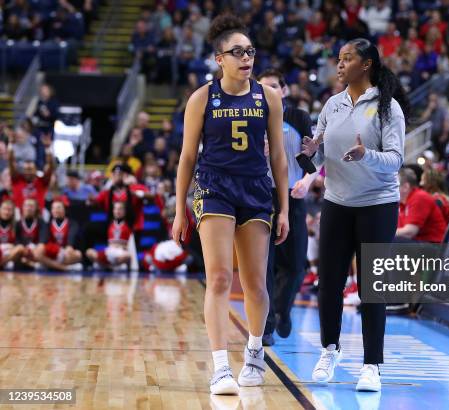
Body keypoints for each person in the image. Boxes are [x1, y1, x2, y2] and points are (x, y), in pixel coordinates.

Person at [171, 15, 289, 395]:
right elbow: (187, 158)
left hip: (256, 190)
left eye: (250, 51)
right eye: (236, 52)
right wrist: (179, 209)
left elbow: (280, 160)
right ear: (219, 58)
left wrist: (283, 208)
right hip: (214, 187)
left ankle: (254, 352)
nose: (246, 58)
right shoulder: (202, 98)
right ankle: (220, 367)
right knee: (220, 277)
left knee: (255, 283)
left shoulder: (268, 97)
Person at [301, 37, 408, 392]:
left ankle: (372, 365)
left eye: (347, 59)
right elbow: (319, 157)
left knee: (370, 289)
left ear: (366, 65)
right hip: (336, 202)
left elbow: (395, 160)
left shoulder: (387, 108)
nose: (340, 64)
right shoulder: (331, 105)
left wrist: (367, 156)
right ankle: (329, 350)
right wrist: (309, 153)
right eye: (339, 58)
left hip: (377, 205)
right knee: (328, 283)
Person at [257, 69, 316, 346]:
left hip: (292, 195)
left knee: (295, 264)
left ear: (284, 90)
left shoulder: (298, 117)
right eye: (263, 87)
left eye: (273, 87)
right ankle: (266, 326)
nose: (268, 92)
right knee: (264, 264)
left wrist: (307, 180)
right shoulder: (251, 117)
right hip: (259, 196)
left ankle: (282, 308)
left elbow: (314, 156)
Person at [396, 168, 448, 243]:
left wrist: (384, 234)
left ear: (405, 187)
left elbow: (409, 232)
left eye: (394, 186)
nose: (390, 189)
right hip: (421, 243)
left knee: (391, 242)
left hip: (435, 246)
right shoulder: (402, 202)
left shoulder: (419, 197)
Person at [33, 198, 82, 271]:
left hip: (64, 252)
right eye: (53, 208)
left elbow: (71, 239)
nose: (56, 210)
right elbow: (43, 240)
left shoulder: (72, 223)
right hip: (52, 252)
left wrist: (69, 246)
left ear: (64, 210)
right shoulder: (47, 224)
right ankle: (65, 268)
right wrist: (41, 245)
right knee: (37, 252)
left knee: (78, 254)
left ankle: (48, 264)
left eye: (58, 208)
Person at [86, 201, 134, 270]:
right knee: (89, 252)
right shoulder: (109, 224)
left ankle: (107, 265)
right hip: (110, 251)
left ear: (124, 211)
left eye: (120, 209)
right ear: (113, 211)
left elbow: (130, 245)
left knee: (128, 256)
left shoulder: (128, 225)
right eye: (116, 209)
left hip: (121, 252)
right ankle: (109, 265)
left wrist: (121, 246)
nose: (118, 211)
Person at [0, 200, 25, 270]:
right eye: (4, 209)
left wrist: (10, 246)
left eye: (9, 210)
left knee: (20, 248)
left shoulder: (17, 225)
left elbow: (19, 242)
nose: (6, 212)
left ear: (13, 212)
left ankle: (2, 263)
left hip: (9, 252)